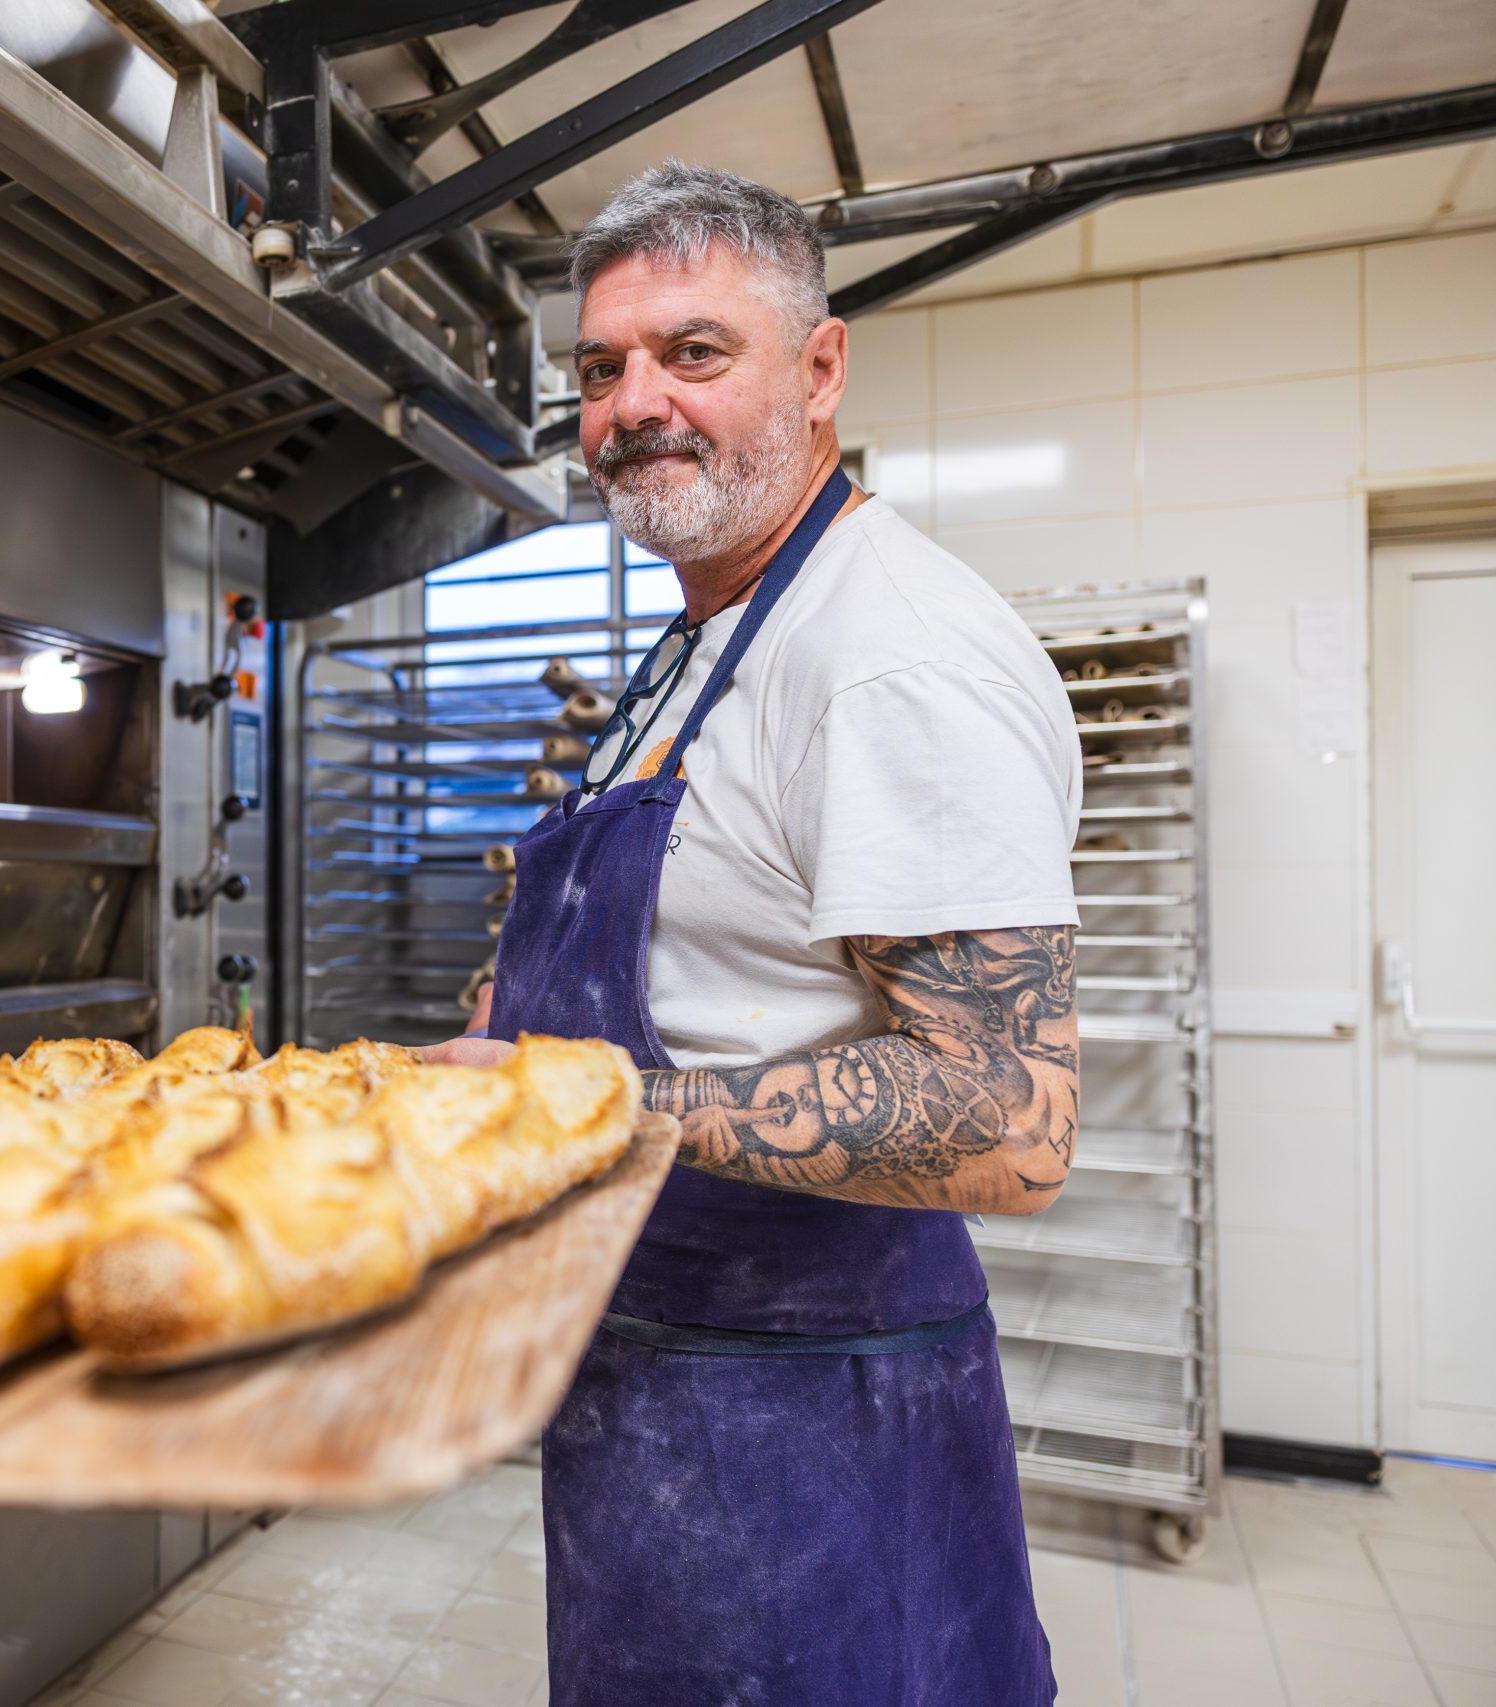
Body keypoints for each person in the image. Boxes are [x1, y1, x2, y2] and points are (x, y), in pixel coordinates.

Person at [426, 162, 1074, 1705]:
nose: (636, 403)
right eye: (602, 369)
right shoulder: (712, 625)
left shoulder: (885, 658)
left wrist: (583, 1106)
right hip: (655, 1386)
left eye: (693, 354)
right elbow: (696, 961)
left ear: (821, 368)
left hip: (812, 1440)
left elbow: (1010, 1115)